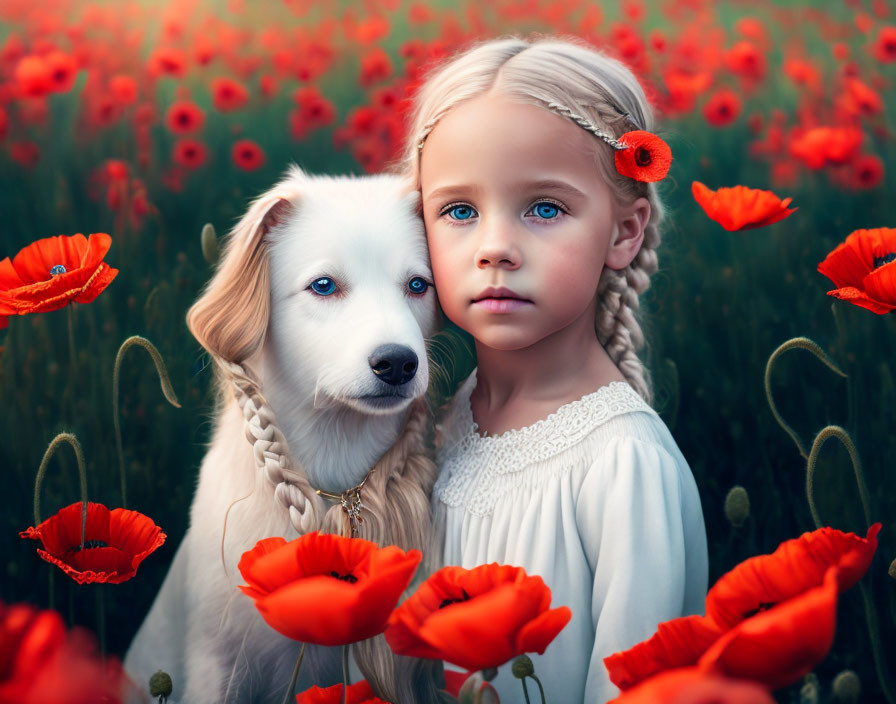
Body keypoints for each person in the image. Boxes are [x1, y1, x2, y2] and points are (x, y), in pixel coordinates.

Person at [391, 35, 709, 703]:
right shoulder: (450, 419)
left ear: (623, 231)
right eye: (459, 211)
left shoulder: (625, 465)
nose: (496, 248)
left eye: (544, 209)